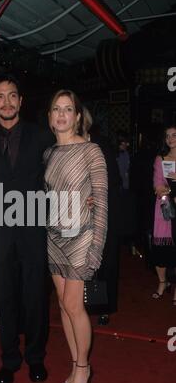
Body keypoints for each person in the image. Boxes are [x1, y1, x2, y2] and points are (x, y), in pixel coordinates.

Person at [0, 73, 51, 383]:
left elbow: (59, 177)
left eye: (12, 96)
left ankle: (35, 358)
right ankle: (9, 359)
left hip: (34, 227)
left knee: (35, 297)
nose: (6, 102)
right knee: (4, 296)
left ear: (20, 100)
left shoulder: (43, 136)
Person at [44, 90, 107, 383]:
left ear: (78, 116)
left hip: (82, 236)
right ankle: (74, 364)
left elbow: (103, 202)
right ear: (50, 116)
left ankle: (84, 367)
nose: (61, 114)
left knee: (73, 305)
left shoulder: (91, 151)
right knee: (61, 305)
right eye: (56, 109)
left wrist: (97, 245)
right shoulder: (49, 154)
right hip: (53, 236)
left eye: (68, 109)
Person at [83, 107, 121, 325]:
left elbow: (114, 180)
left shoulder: (101, 144)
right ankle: (86, 303)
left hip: (104, 214)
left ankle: (103, 307)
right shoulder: (68, 146)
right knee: (84, 263)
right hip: (78, 216)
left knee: (105, 262)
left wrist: (97, 197)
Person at [151, 124, 176, 305]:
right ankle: (162, 282)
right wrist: (166, 191)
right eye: (167, 136)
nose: (171, 139)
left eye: (174, 135)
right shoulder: (161, 159)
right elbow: (158, 185)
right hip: (165, 209)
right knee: (160, 250)